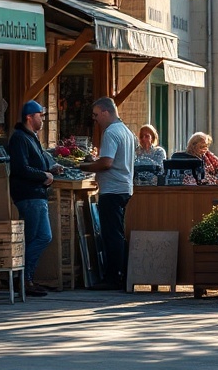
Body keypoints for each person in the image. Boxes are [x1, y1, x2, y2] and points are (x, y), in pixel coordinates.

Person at [7, 100, 63, 297]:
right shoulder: (20, 138)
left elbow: (36, 164)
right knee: (33, 237)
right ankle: (23, 278)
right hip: (29, 196)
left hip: (37, 195)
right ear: (29, 117)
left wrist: (50, 169)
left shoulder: (32, 138)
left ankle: (25, 277)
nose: (42, 119)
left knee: (43, 236)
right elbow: (21, 168)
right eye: (40, 115)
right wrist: (43, 176)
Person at [80, 97, 135, 290]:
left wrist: (84, 165)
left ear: (105, 112)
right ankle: (121, 274)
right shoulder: (126, 131)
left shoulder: (111, 132)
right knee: (117, 233)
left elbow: (106, 163)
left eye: (96, 115)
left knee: (111, 234)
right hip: (124, 188)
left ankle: (113, 278)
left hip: (112, 190)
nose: (95, 119)